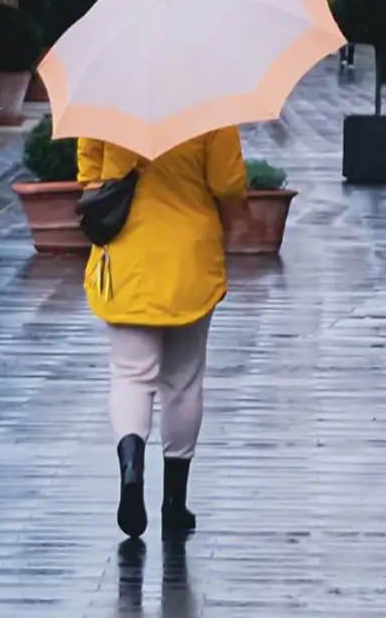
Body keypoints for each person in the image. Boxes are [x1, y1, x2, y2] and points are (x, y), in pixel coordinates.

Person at [77, 129, 247, 539]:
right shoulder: (208, 99)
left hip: (125, 257)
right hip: (189, 257)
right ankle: (175, 502)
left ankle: (132, 469)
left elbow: (89, 175)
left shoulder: (106, 96)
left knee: (131, 374)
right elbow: (228, 182)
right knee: (184, 382)